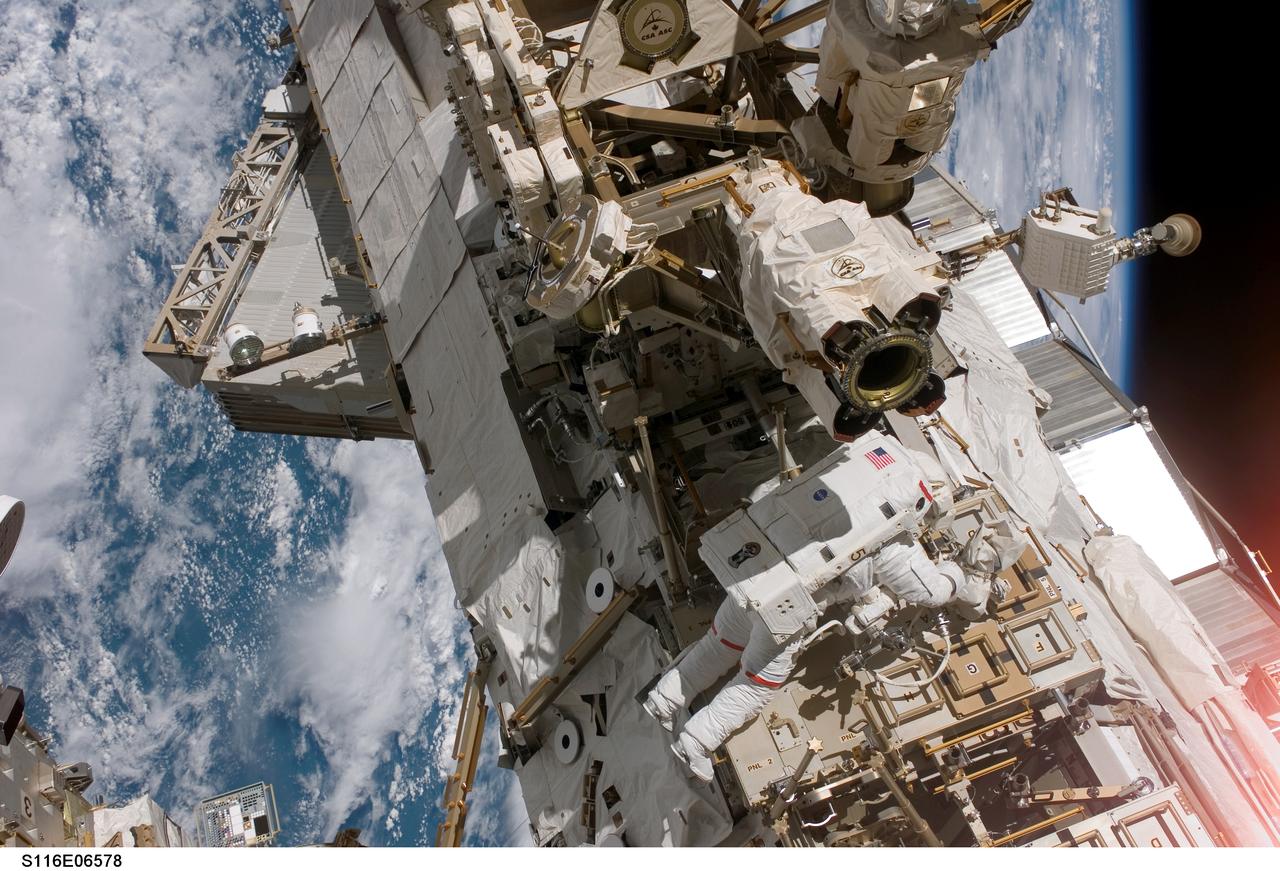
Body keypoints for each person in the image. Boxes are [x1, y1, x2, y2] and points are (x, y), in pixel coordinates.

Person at [644, 431, 996, 782]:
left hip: (752, 577)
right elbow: (930, 592)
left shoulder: (843, 495)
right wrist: (956, 572)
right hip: (781, 611)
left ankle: (663, 702)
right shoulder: (895, 543)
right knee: (756, 682)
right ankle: (695, 743)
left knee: (719, 643)